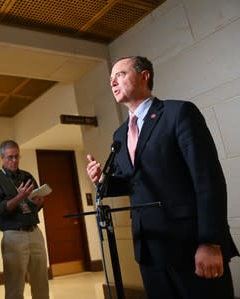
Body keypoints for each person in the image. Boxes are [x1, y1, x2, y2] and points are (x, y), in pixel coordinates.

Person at [86, 56, 239, 299]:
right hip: (149, 251)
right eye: (110, 79)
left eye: (120, 75)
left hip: (189, 245)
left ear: (145, 75)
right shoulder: (120, 133)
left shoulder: (178, 113)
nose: (113, 83)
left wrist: (210, 242)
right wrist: (102, 180)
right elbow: (131, 181)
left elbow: (207, 178)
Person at [0, 140, 49, 299]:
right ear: (2, 158)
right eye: (10, 157)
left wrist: (39, 202)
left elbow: (36, 202)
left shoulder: (27, 175)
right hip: (13, 235)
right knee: (15, 285)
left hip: (34, 231)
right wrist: (19, 196)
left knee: (41, 280)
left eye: (16, 156)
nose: (14, 160)